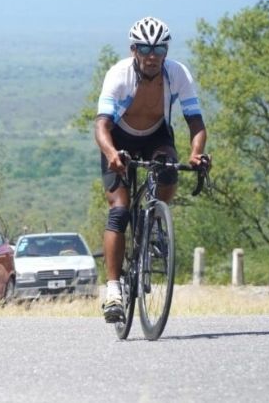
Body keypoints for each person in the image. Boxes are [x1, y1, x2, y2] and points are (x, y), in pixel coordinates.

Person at [94, 17, 209, 323]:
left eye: (159, 48)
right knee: (119, 210)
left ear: (165, 50)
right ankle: (114, 290)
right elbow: (102, 125)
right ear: (134, 49)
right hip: (118, 139)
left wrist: (197, 154)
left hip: (156, 136)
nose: (152, 55)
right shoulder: (119, 75)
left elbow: (195, 122)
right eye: (145, 48)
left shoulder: (177, 74)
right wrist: (110, 153)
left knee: (170, 168)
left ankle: (155, 219)